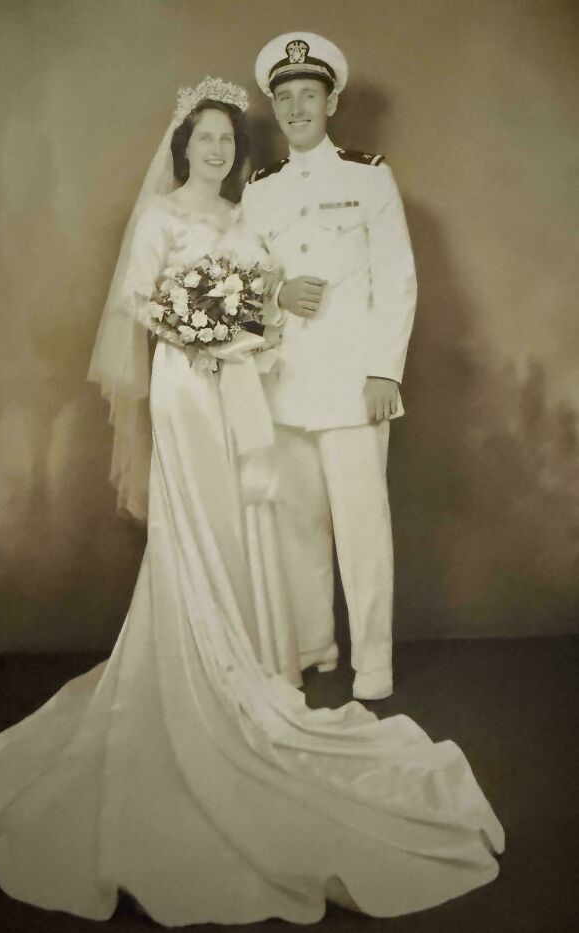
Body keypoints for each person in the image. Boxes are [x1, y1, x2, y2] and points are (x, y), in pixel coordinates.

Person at [0, 77, 503, 926]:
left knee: (259, 521)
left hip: (241, 388)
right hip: (188, 388)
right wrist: (202, 322)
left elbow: (297, 294)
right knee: (208, 519)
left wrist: (253, 315)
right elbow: (145, 301)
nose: (218, 152)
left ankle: (288, 654)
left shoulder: (252, 212)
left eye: (227, 142)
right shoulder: (165, 216)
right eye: (204, 141)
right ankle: (211, 653)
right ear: (181, 147)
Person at [242, 33, 417, 701]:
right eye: (283, 98)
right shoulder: (260, 190)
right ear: (275, 106)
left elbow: (396, 278)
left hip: (353, 384)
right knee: (297, 526)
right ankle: (316, 646)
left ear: (331, 101)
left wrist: (385, 371)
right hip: (284, 384)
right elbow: (248, 272)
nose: (295, 109)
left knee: (363, 529)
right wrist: (276, 293)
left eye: (307, 96)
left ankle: (374, 664)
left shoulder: (369, 175)